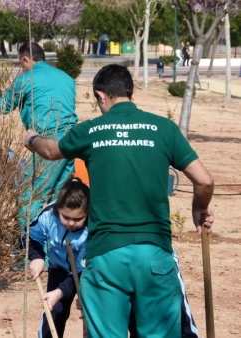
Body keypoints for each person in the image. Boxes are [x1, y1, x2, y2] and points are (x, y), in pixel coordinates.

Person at [23, 64, 214, 337]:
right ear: (131, 93)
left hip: (106, 258)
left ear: (101, 96)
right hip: (155, 255)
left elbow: (51, 150)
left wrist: (31, 138)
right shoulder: (165, 129)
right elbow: (205, 181)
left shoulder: (90, 131)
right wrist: (199, 208)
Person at [0, 42, 78, 228]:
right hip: (71, 141)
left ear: (26, 59)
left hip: (49, 142)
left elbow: (5, 105)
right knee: (59, 197)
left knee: (29, 196)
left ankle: (31, 248)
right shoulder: (66, 78)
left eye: (21, 63)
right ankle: (57, 245)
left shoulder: (27, 78)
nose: (21, 67)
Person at [27, 177, 88, 338]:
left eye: (77, 219)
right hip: (58, 268)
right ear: (58, 209)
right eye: (66, 217)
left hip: (87, 273)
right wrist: (36, 257)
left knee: (91, 315)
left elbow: (83, 270)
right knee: (54, 310)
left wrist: (61, 291)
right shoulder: (49, 214)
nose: (71, 223)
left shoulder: (93, 229)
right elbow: (30, 237)